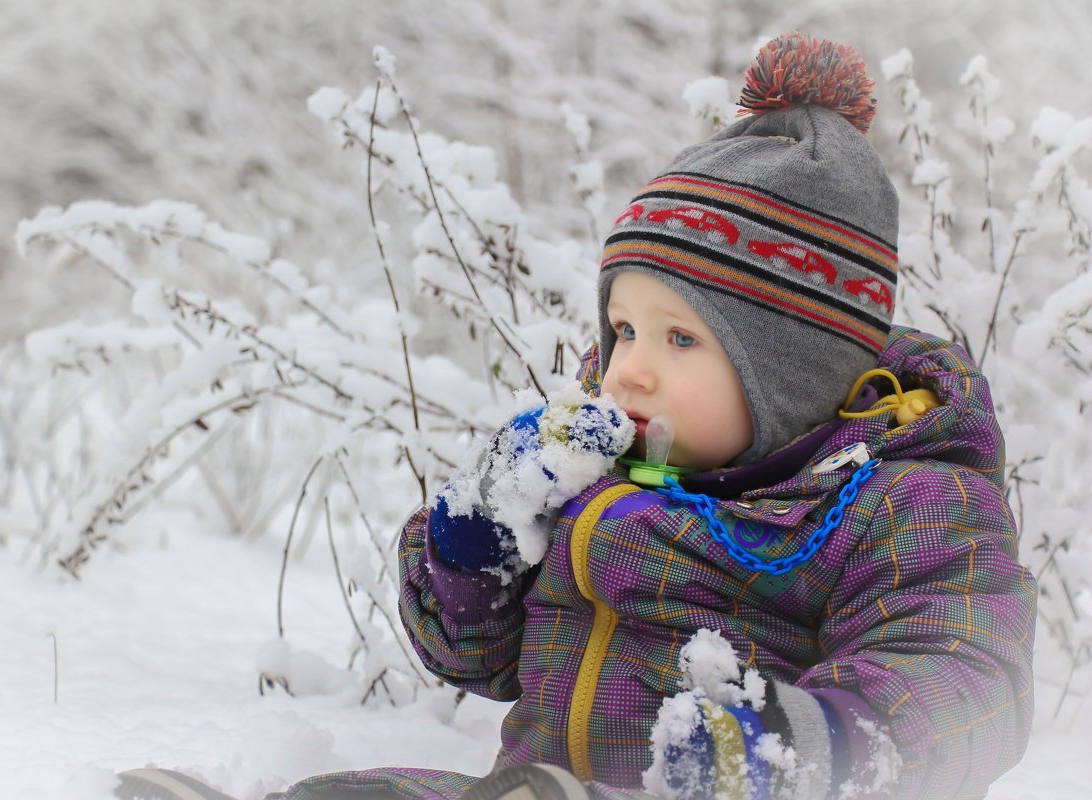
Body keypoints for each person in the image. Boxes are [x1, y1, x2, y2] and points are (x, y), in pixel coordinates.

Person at [119, 32, 1036, 800]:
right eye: (624, 327)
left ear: (795, 369)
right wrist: (472, 547)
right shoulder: (602, 479)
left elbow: (963, 675)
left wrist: (804, 745)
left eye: (681, 341)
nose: (626, 369)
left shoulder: (907, 503)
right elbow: (472, 658)